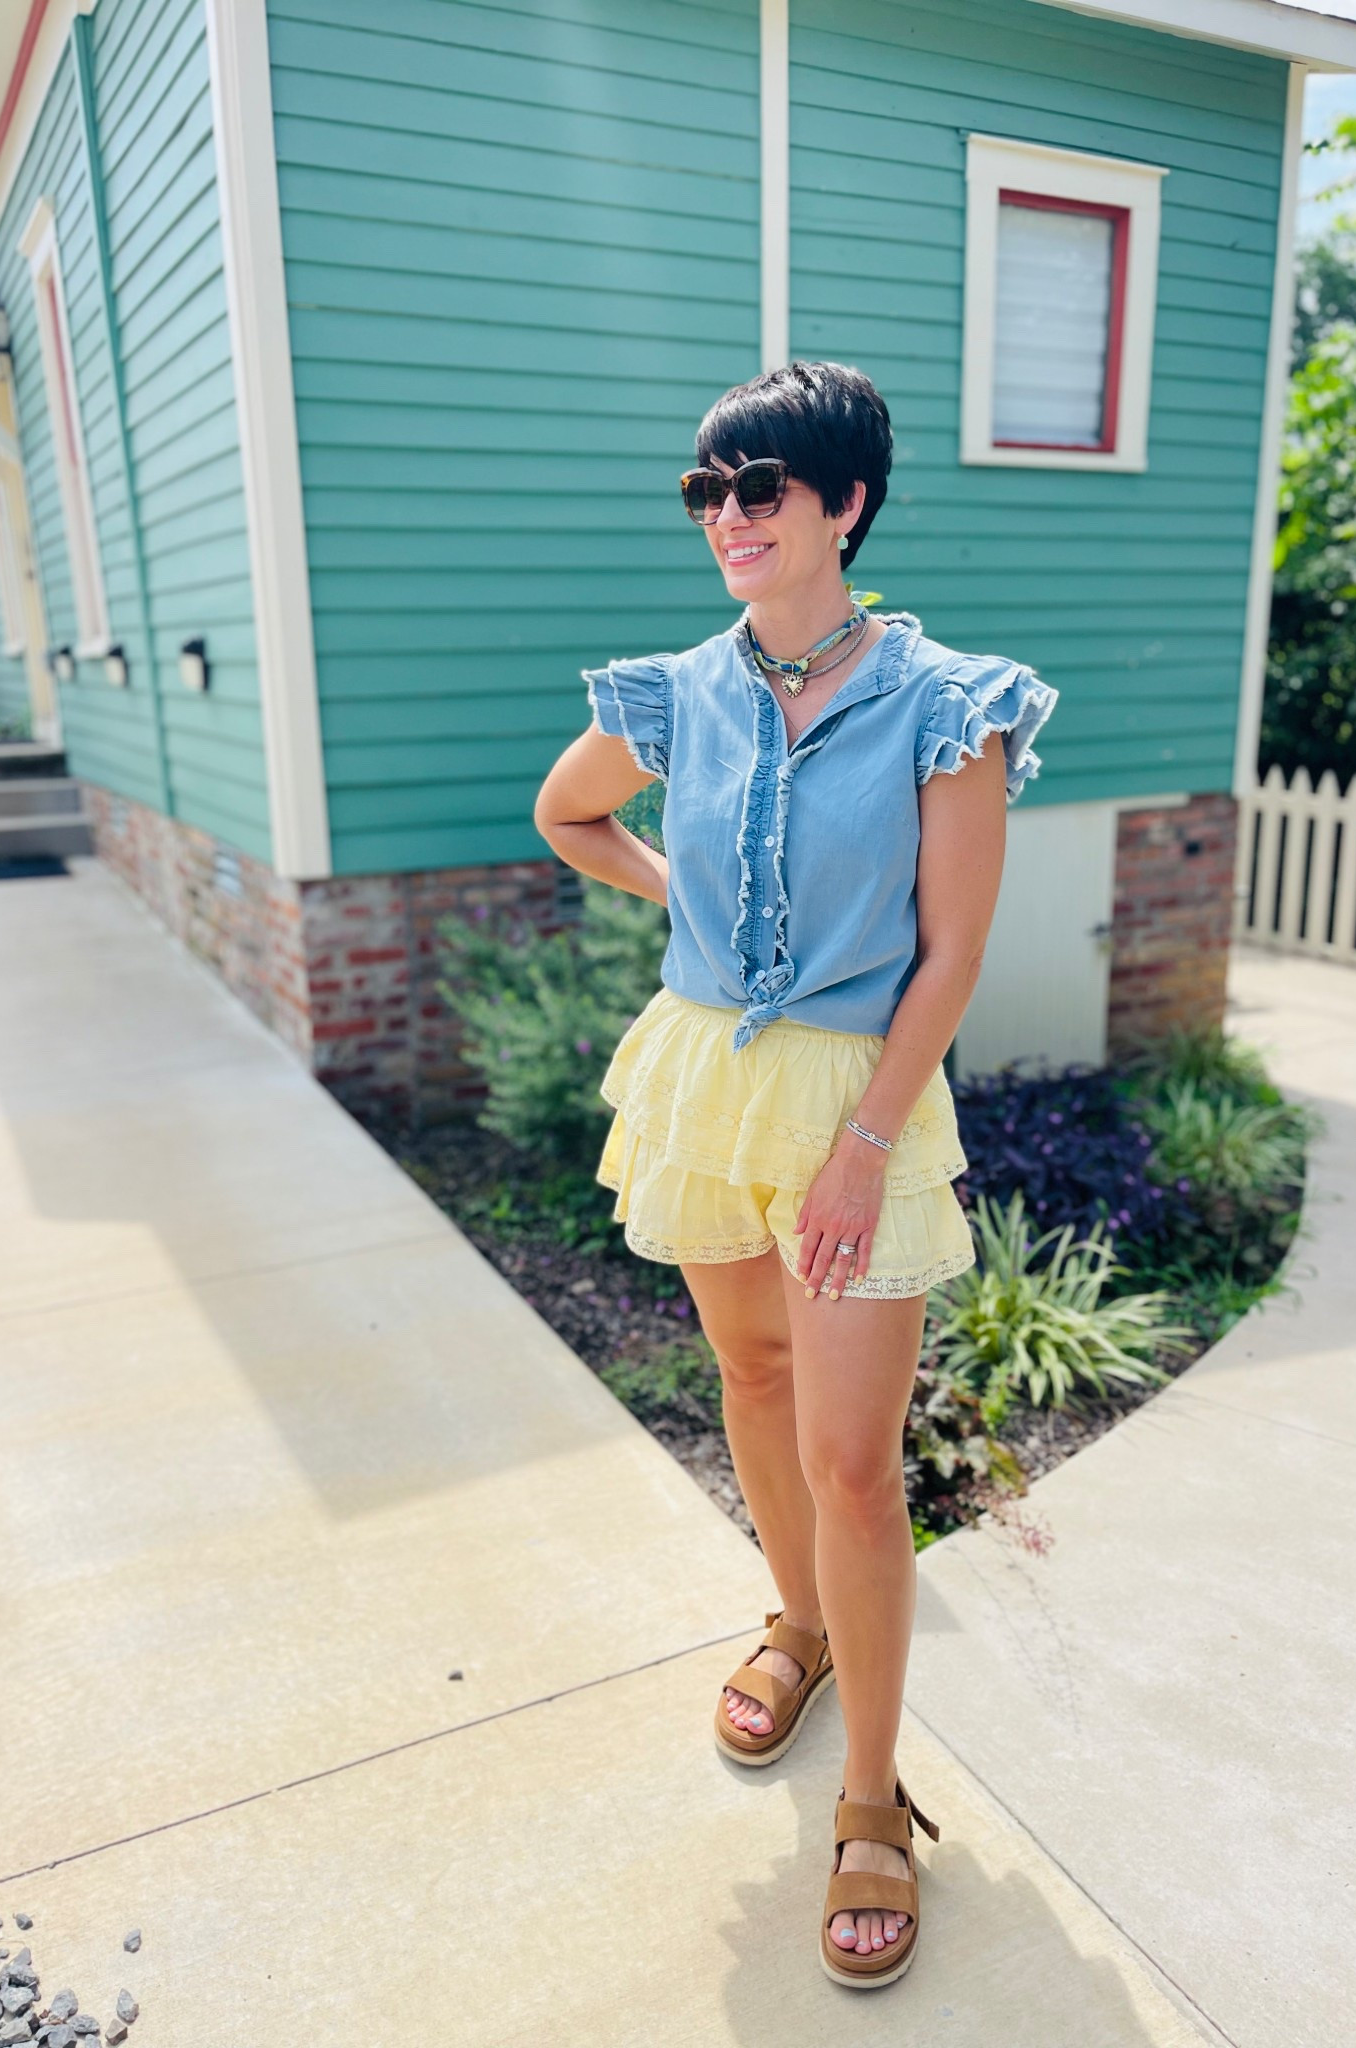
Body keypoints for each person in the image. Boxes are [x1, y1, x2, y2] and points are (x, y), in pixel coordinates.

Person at [533, 360, 1056, 1989]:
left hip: (858, 1099)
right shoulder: (674, 690)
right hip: (705, 1072)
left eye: (761, 488)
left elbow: (954, 957)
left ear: (845, 505)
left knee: (852, 1465)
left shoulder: (946, 700)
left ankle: (873, 1801)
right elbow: (567, 816)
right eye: (707, 492)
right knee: (749, 1382)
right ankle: (803, 1631)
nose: (730, 519)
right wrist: (686, 914)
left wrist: (867, 1142)